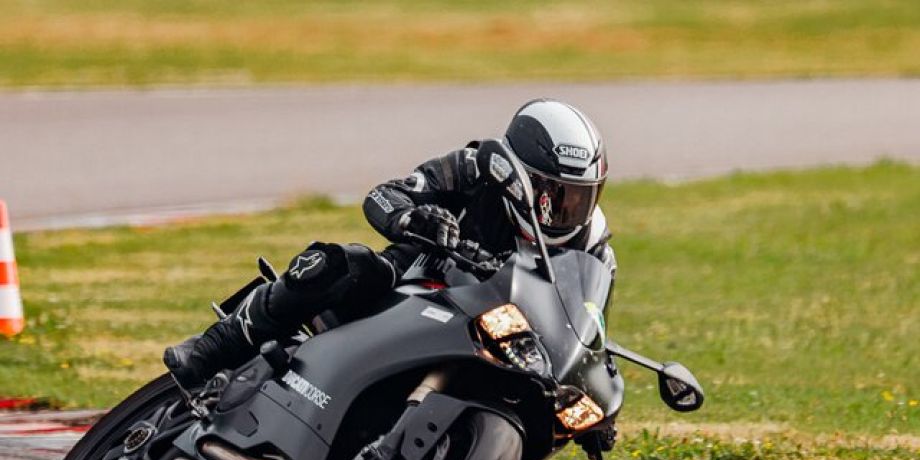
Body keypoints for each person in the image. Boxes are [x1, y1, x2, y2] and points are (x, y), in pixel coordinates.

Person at [164, 99, 617, 391]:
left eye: (577, 196)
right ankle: (211, 349)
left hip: (494, 339)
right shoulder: (474, 169)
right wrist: (414, 217)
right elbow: (385, 194)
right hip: (408, 287)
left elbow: (588, 324)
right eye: (549, 192)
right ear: (514, 171)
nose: (561, 210)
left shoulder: (594, 245)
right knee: (334, 264)